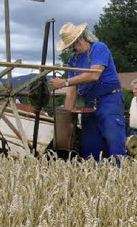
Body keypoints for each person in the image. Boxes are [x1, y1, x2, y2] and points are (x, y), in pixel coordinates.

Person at [49, 22, 127, 163]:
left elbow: (94, 75)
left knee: (113, 138)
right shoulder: (73, 60)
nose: (72, 48)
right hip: (89, 104)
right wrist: (67, 117)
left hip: (109, 99)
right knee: (90, 146)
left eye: (73, 44)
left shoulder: (99, 48)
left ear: (81, 38)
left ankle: (121, 174)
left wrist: (64, 82)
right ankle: (93, 178)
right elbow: (72, 90)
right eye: (69, 46)